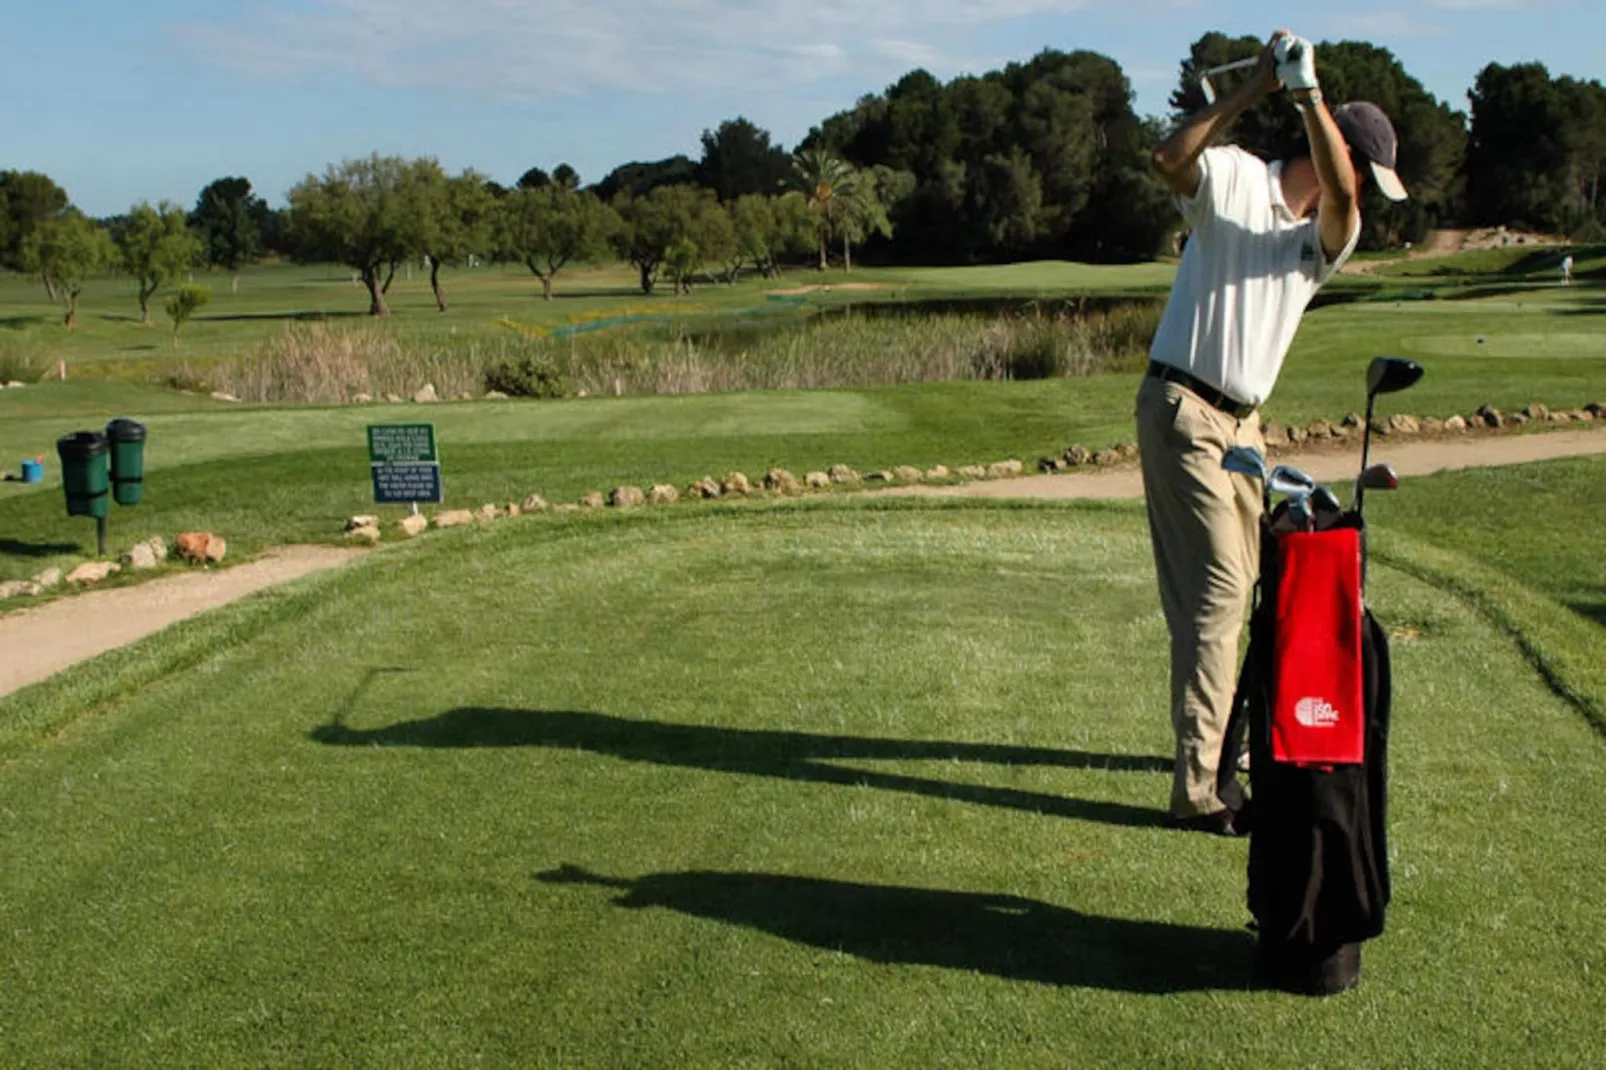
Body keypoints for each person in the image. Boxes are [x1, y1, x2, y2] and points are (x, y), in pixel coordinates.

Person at [1135, 31, 1409, 835]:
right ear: (1339, 154)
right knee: (1221, 591)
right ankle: (1200, 790)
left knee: (1251, 588)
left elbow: (1344, 195)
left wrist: (1308, 94)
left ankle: (1229, 744)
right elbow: (1168, 159)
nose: (1362, 198)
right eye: (1364, 174)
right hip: (1182, 407)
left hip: (1244, 424)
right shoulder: (1234, 177)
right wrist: (1255, 88)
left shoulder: (1331, 232)